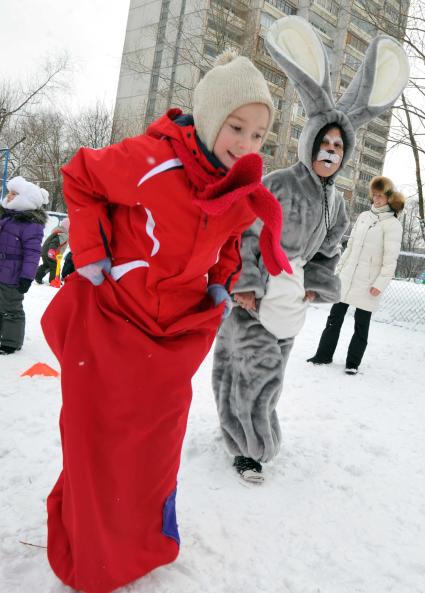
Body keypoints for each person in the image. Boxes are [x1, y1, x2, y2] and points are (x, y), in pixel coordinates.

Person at [40, 50, 291, 593]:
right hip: (112, 321)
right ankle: (90, 545)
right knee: (98, 441)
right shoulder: (151, 161)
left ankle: (141, 542)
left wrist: (223, 278)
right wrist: (88, 249)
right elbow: (79, 174)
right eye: (236, 127)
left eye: (259, 135)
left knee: (153, 449)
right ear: (208, 118)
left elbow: (227, 239)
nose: (247, 145)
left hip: (172, 338)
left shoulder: (237, 187)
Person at [212, 16, 409, 482]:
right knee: (243, 366)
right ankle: (249, 448)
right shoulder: (278, 183)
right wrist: (247, 284)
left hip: (289, 296)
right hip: (254, 294)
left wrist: (313, 286)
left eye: (339, 147)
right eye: (325, 142)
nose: (331, 151)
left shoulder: (337, 203)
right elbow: (247, 233)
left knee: (268, 371)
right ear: (310, 142)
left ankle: (243, 436)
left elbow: (329, 251)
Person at [307, 176, 405, 374]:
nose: (377, 200)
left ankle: (352, 363)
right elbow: (350, 247)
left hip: (369, 282)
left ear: (389, 197)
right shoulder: (363, 217)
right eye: (374, 196)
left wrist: (381, 283)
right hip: (347, 277)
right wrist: (339, 270)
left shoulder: (393, 225)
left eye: (381, 196)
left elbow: (390, 260)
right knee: (334, 318)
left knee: (361, 325)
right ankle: (323, 355)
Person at [0, 176, 48, 354]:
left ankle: (11, 342)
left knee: (11, 308)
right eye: (9, 193)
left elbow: (32, 253)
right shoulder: (5, 217)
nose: (9, 196)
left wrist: (27, 277)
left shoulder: (30, 224)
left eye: (14, 194)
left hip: (13, 274)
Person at [35, 217, 69, 284]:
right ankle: (54, 281)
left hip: (45, 251)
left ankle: (37, 275)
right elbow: (55, 242)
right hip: (51, 253)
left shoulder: (57, 232)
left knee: (47, 265)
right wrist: (52, 250)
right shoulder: (63, 235)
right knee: (55, 267)